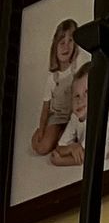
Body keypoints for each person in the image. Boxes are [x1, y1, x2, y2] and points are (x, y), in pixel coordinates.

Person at [30, 18, 80, 157]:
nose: (66, 46)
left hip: (74, 116)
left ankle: (63, 136)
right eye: (62, 42)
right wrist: (41, 129)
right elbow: (46, 107)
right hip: (58, 117)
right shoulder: (53, 77)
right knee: (40, 147)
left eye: (71, 41)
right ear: (55, 48)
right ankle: (53, 132)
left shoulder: (76, 69)